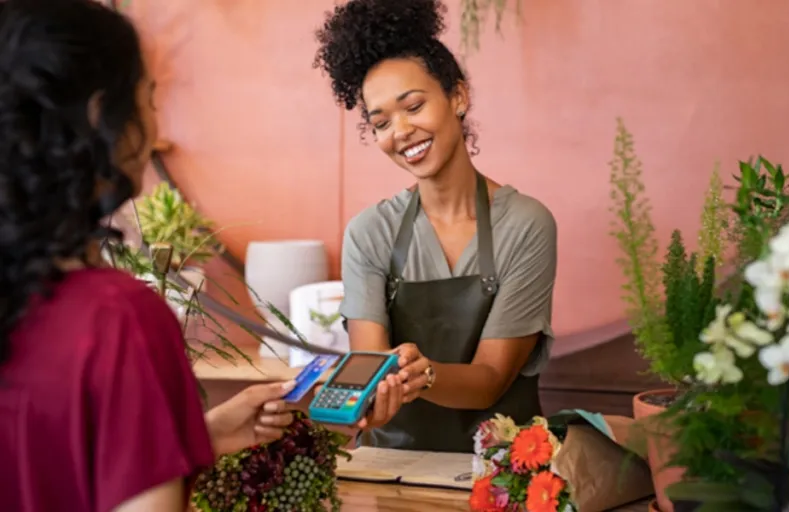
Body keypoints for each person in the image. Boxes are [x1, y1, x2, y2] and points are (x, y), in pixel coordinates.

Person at [0, 1, 297, 510]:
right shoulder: (119, 320)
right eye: (147, 97)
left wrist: (197, 437)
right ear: (101, 116)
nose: (154, 119)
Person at [314, 0, 558, 453]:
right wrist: (372, 394)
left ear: (458, 96)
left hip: (505, 472)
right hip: (394, 475)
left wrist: (420, 372)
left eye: (413, 106)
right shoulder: (369, 233)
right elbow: (370, 369)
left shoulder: (526, 225)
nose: (401, 130)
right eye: (381, 121)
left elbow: (490, 380)